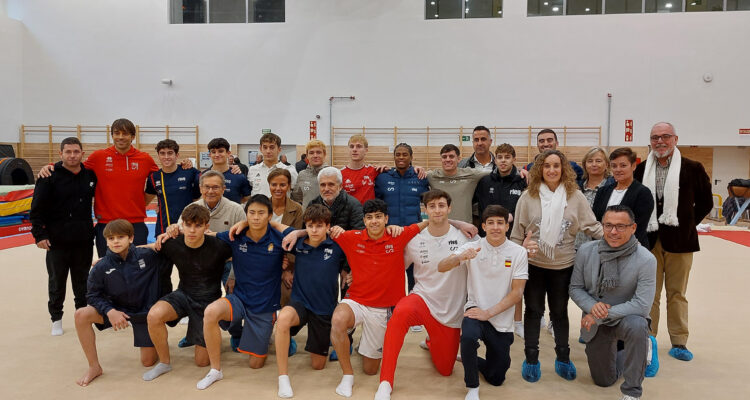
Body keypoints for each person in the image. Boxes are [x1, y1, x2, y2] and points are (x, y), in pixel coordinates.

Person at [510, 149, 603, 383]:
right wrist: (519, 252)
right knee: (533, 312)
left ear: (563, 170)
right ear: (540, 169)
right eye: (547, 165)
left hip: (563, 266)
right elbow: (515, 235)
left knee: (560, 314)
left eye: (556, 166)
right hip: (534, 266)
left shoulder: (575, 197)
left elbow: (593, 226)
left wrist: (617, 240)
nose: (551, 170)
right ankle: (531, 359)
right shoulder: (527, 197)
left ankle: (563, 357)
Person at [373, 190, 475, 400]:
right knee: (399, 315)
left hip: (449, 312)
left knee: (446, 370)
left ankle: (431, 341)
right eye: (432, 206)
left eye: (441, 205)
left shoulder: (466, 237)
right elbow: (394, 267)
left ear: (449, 208)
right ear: (425, 210)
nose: (437, 210)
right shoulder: (414, 240)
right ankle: (385, 382)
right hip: (422, 299)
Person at [196, 195, 296, 390]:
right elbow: (209, 235)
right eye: (251, 213)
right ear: (246, 214)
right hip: (240, 299)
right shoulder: (236, 236)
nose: (256, 217)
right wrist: (171, 231)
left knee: (255, 364)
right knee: (210, 312)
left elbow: (300, 233)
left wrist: (273, 225)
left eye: (261, 213)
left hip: (265, 306)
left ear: (269, 216)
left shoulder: (280, 238)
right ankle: (215, 370)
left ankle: (262, 335)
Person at [634, 122, 712, 361]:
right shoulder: (642, 169)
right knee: (650, 294)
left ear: (675, 139)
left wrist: (687, 223)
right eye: (655, 137)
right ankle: (648, 338)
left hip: (681, 241)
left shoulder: (693, 168)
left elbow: (706, 202)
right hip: (649, 240)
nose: (660, 141)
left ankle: (679, 341)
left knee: (677, 293)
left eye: (665, 136)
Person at [437, 205, 528, 400]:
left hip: (500, 318)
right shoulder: (473, 247)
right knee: (468, 337)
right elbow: (441, 267)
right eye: (491, 223)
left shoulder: (519, 252)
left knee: (497, 378)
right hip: (475, 310)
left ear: (506, 226)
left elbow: (517, 293)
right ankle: (472, 387)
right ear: (484, 226)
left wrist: (488, 313)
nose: (496, 227)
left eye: (500, 223)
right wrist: (461, 256)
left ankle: (470, 359)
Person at [569, 205, 657, 400]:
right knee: (603, 380)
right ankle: (640, 350)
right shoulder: (586, 251)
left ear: (633, 228)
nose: (613, 232)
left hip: (626, 318)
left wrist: (599, 314)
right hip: (595, 321)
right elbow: (575, 288)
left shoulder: (646, 260)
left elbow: (642, 305)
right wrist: (592, 306)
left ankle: (632, 391)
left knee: (638, 325)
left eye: (620, 226)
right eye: (608, 225)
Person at [37, 118, 159, 257]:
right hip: (106, 223)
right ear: (111, 135)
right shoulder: (98, 157)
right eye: (116, 133)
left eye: (125, 133)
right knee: (108, 270)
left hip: (135, 223)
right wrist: (52, 166)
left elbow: (162, 179)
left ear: (132, 137)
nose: (120, 137)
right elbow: (75, 167)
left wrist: (187, 164)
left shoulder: (145, 159)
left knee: (137, 269)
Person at [141, 204, 233, 381]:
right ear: (181, 224)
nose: (192, 230)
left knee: (202, 362)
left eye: (198, 225)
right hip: (182, 295)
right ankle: (165, 363)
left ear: (207, 226)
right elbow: (146, 249)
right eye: (188, 225)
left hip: (207, 302)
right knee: (154, 315)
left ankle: (208, 333)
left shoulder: (219, 246)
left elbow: (247, 254)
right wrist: (107, 258)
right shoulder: (172, 243)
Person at [72, 219, 169, 387]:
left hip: (143, 313)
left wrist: (155, 243)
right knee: (81, 314)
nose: (115, 241)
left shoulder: (148, 256)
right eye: (111, 238)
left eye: (120, 237)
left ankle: (155, 337)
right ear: (106, 241)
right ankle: (94, 367)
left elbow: (168, 246)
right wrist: (109, 311)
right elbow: (92, 296)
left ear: (131, 238)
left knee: (148, 362)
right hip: (117, 310)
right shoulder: (101, 267)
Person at [274, 204, 346, 398]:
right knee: (282, 320)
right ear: (305, 226)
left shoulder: (338, 245)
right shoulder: (298, 243)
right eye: (310, 225)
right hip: (300, 303)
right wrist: (298, 233)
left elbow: (360, 245)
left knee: (318, 365)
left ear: (328, 226)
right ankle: (283, 378)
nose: (314, 230)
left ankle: (332, 337)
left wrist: (352, 271)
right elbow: (275, 225)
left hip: (324, 309)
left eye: (319, 226)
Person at [30, 137, 97, 336]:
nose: (72, 155)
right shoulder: (48, 176)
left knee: (83, 281)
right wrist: (39, 235)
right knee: (57, 281)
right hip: (56, 240)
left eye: (76, 151)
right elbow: (36, 209)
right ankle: (56, 318)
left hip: (83, 239)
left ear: (82, 154)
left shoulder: (90, 175)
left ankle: (82, 315)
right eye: (68, 152)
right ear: (60, 154)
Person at [472, 143, 527, 338]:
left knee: (515, 281)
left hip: (514, 237)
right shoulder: (485, 181)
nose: (503, 161)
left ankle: (518, 321)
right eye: (500, 157)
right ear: (495, 160)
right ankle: (487, 314)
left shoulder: (522, 182)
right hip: (489, 237)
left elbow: (527, 210)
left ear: (513, 159)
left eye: (507, 157)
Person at [375, 143, 430, 297]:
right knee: (391, 278)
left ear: (411, 157)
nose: (401, 157)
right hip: (390, 235)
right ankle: (392, 313)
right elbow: (376, 205)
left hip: (413, 236)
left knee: (415, 278)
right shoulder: (382, 178)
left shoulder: (421, 178)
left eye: (405, 154)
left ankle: (414, 311)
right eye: (398, 154)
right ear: (393, 157)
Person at [593, 148, 654, 248]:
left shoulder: (643, 193)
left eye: (623, 165)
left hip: (632, 248)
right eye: (614, 166)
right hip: (605, 246)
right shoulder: (602, 191)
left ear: (633, 166)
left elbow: (639, 227)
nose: (618, 170)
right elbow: (596, 220)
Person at [145, 139, 201, 240]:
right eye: (162, 153)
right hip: (163, 229)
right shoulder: (154, 177)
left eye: (170, 153)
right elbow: (145, 201)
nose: (166, 157)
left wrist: (232, 167)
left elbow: (210, 177)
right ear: (158, 156)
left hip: (188, 228)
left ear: (177, 155)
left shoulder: (190, 172)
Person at [427, 144, 489, 223]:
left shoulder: (471, 174)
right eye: (444, 157)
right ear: (441, 159)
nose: (448, 159)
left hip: (465, 229)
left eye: (451, 156)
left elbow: (495, 173)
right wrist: (417, 168)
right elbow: (416, 173)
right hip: (441, 227)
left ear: (459, 159)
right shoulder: (432, 176)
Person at [576, 147, 614, 249]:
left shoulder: (613, 188)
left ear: (606, 164)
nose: (594, 164)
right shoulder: (576, 188)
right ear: (585, 165)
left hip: (602, 245)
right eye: (590, 161)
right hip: (575, 246)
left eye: (598, 161)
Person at [247, 132, 298, 197]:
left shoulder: (289, 170)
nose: (268, 151)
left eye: (272, 147)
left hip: (281, 207)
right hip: (258, 206)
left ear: (279, 149)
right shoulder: (252, 169)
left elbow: (296, 195)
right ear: (261, 149)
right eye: (265, 147)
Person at [204, 137, 251, 204]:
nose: (217, 155)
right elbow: (197, 198)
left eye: (220, 151)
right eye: (213, 152)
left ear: (228, 153)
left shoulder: (239, 177)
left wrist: (233, 208)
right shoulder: (202, 176)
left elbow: (247, 197)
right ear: (210, 155)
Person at [341, 135, 380, 204]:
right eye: (351, 146)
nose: (354, 149)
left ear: (366, 150)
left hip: (368, 213)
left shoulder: (374, 171)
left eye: (359, 146)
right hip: (351, 214)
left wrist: (385, 167)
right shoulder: (340, 174)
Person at [292, 139, 328, 207]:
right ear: (307, 156)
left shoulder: (331, 174)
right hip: (306, 216)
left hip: (327, 216)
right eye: (311, 153)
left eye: (318, 152)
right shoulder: (302, 175)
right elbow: (297, 197)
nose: (315, 155)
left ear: (324, 154)